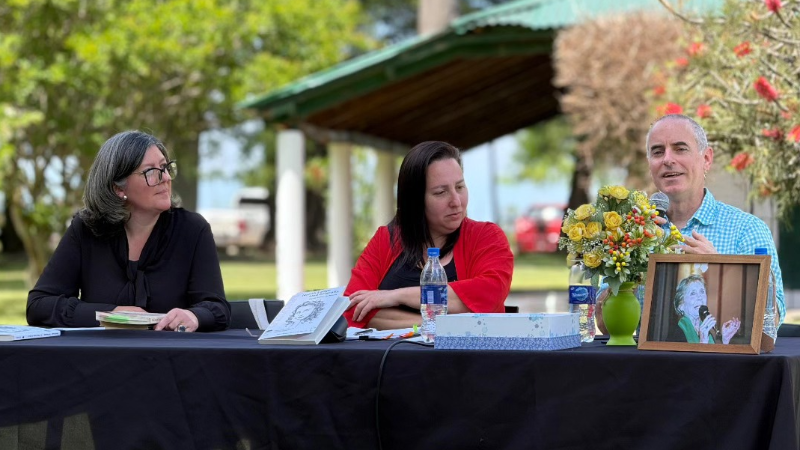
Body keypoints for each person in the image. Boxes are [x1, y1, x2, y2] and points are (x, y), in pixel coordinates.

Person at [597, 114, 785, 331]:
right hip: (645, 364)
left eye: (680, 149)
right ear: (650, 164)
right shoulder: (631, 230)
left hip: (719, 364)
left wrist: (721, 271)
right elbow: (604, 326)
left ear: (706, 159)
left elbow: (771, 324)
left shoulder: (747, 229)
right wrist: (629, 265)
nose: (667, 159)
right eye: (657, 152)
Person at [27, 131, 230, 332]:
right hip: (99, 359)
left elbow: (217, 307)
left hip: (170, 358)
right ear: (118, 188)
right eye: (150, 171)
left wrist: (193, 316)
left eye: (165, 167)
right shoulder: (87, 229)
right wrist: (110, 314)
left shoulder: (193, 229)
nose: (166, 178)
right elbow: (39, 306)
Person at [344, 141, 514, 330]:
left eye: (459, 187)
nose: (456, 201)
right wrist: (434, 324)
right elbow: (352, 308)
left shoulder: (486, 236)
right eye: (441, 192)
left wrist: (392, 297)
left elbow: (488, 295)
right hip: (391, 359)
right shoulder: (386, 239)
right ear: (415, 200)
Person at [673, 274, 740, 344]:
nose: (700, 297)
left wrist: (725, 340)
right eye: (693, 293)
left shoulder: (707, 331)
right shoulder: (675, 334)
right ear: (681, 305)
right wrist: (703, 342)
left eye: (702, 292)